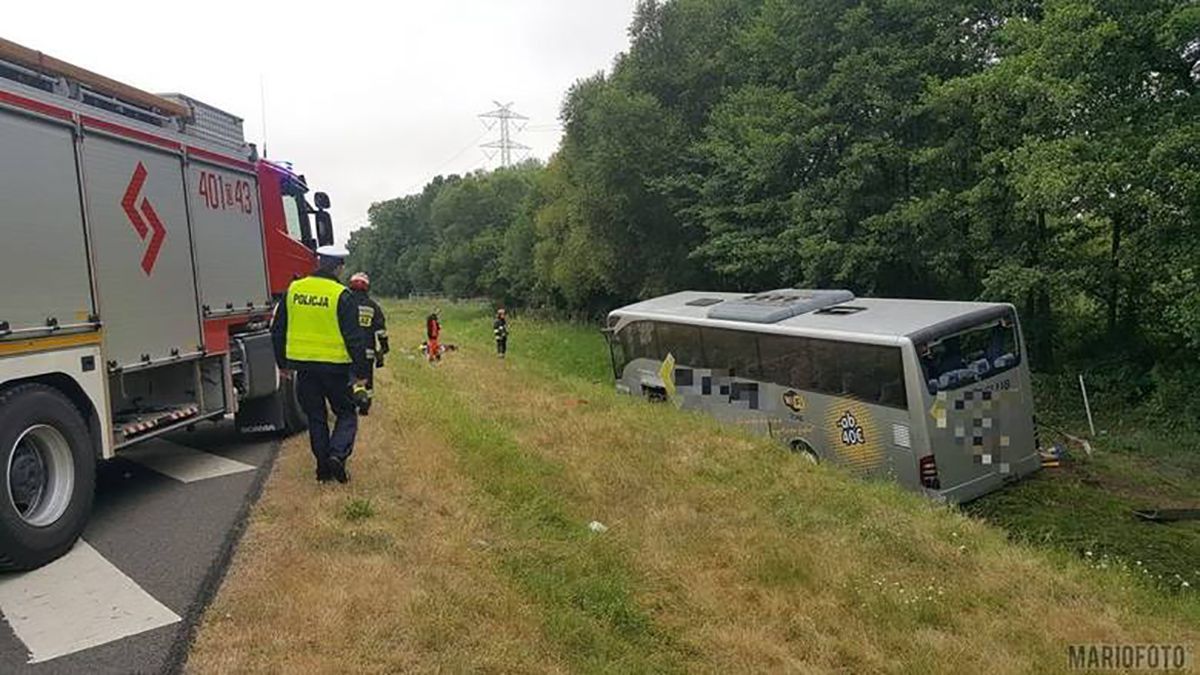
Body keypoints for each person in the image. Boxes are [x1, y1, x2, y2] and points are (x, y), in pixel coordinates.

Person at [271, 245, 370, 484]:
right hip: (335, 369)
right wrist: (360, 372)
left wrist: (281, 363)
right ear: (339, 266)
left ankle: (322, 469)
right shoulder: (340, 294)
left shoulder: (294, 289)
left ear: (317, 263)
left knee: (316, 417)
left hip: (304, 368)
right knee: (346, 413)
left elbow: (277, 330)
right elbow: (354, 338)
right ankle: (337, 454)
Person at [348, 272, 389, 415]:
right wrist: (384, 347)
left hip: (348, 351)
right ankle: (365, 405)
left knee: (349, 376)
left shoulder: (345, 303)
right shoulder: (373, 306)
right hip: (367, 351)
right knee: (367, 378)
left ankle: (350, 402)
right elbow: (381, 331)